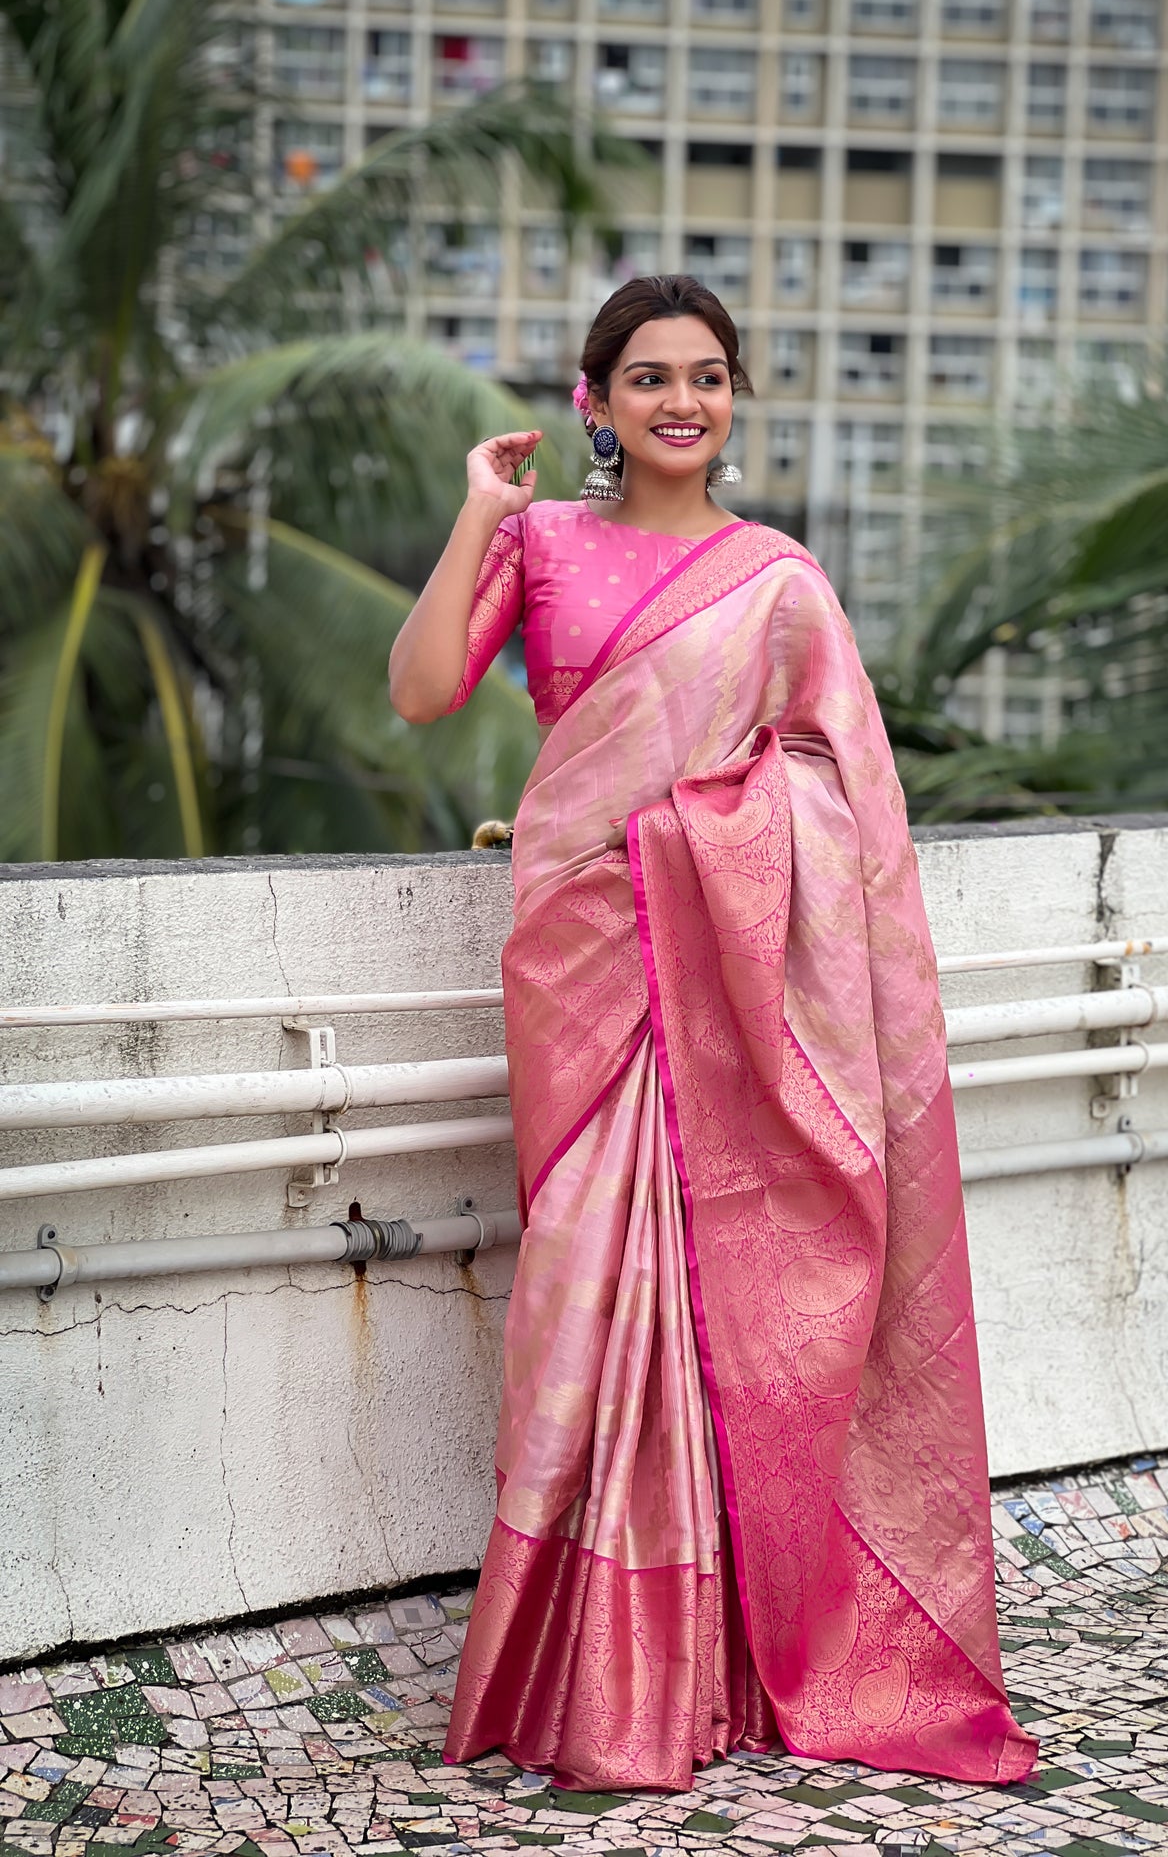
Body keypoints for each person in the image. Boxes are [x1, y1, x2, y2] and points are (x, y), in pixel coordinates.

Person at [388, 274, 1038, 1794]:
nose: (682, 400)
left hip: (732, 991)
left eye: (707, 376)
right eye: (649, 378)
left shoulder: (779, 584)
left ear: (732, 398)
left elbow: (846, 805)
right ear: (593, 401)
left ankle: (730, 1656)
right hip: (582, 966)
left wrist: (701, 837)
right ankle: (594, 1660)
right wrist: (479, 513)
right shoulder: (542, 543)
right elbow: (422, 692)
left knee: (732, 1305)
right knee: (581, 1305)